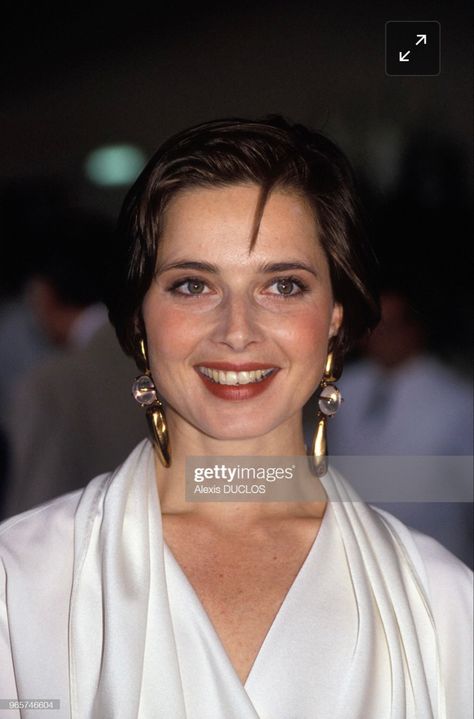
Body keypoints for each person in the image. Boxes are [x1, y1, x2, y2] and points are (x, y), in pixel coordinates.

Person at [0, 117, 472, 719]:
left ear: (334, 314)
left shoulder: (442, 605)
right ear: (140, 316)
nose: (237, 331)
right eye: (193, 285)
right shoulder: (20, 586)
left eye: (283, 286)